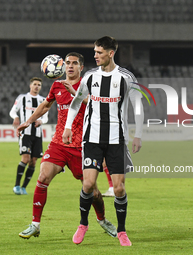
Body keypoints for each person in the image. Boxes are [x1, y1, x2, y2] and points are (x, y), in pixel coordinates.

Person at [17, 52, 117, 239]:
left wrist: (77, 95)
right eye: (68, 63)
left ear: (81, 67)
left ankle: (102, 220)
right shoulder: (57, 85)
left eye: (74, 63)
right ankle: (35, 224)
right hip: (59, 144)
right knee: (43, 175)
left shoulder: (90, 86)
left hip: (83, 147)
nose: (70, 66)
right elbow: (46, 105)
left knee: (93, 191)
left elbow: (101, 107)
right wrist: (29, 121)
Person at [62, 36, 144, 246]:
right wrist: (68, 127)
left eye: (99, 52)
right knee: (88, 184)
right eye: (95, 52)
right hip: (92, 139)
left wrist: (139, 134)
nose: (95, 55)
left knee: (118, 189)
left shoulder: (126, 77)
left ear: (110, 53)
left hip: (117, 139)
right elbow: (76, 102)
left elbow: (138, 107)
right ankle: (83, 224)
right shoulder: (89, 76)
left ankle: (122, 231)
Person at [9, 77, 48, 195]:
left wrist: (41, 121)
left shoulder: (43, 100)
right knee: (25, 159)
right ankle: (16, 185)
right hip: (25, 133)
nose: (37, 86)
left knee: (33, 161)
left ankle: (24, 187)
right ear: (30, 86)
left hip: (37, 134)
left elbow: (46, 116)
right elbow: (13, 111)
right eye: (35, 84)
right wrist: (15, 117)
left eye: (39, 85)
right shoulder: (23, 98)